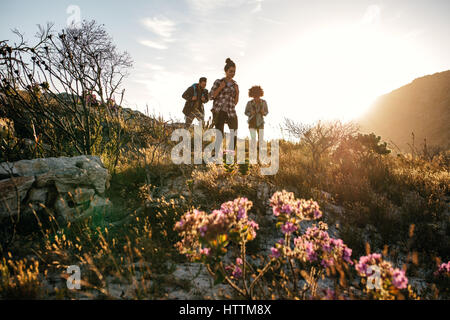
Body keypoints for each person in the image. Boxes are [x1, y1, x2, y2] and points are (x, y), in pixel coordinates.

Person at [209, 58, 239, 152]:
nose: (232, 73)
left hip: (230, 111)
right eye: (230, 71)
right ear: (226, 71)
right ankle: (216, 153)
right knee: (220, 134)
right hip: (219, 111)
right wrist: (220, 87)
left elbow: (235, 103)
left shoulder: (235, 85)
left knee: (234, 132)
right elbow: (211, 96)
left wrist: (237, 92)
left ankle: (230, 154)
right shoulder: (218, 81)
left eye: (234, 72)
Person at [245, 85, 268, 149]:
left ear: (260, 95)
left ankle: (259, 150)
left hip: (261, 122)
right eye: (255, 96)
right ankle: (253, 150)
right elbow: (245, 112)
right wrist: (250, 113)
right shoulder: (249, 103)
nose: (256, 98)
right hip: (251, 122)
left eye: (257, 96)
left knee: (261, 138)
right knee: (253, 138)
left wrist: (263, 113)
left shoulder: (264, 102)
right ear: (252, 95)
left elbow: (267, 112)